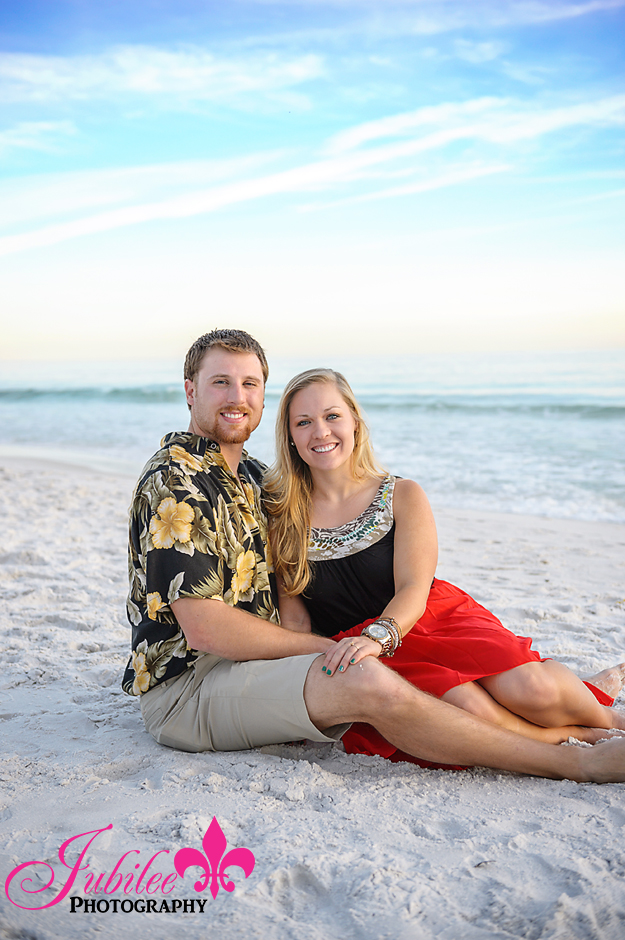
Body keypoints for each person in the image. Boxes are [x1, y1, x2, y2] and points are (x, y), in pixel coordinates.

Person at [123, 328, 625, 783]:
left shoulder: (257, 480)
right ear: (190, 390)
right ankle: (575, 759)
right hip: (193, 683)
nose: (237, 398)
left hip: (280, 657)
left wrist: (353, 643)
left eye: (250, 384)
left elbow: (361, 588)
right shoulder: (178, 481)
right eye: (220, 383)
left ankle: (591, 708)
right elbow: (206, 627)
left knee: (517, 687)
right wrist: (334, 648)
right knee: (384, 680)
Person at [263, 367, 625, 765]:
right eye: (304, 422)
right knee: (478, 716)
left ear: (354, 421)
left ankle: (605, 714)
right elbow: (295, 622)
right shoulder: (282, 519)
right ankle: (584, 734)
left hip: (426, 618)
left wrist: (377, 636)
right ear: (291, 437)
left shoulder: (401, 493)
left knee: (534, 692)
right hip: (369, 657)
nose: (321, 431)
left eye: (332, 416)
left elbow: (415, 588)